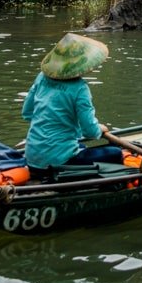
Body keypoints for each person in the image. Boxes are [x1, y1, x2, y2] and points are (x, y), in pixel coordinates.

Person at [21, 32, 123, 180]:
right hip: (58, 162)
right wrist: (99, 128)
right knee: (116, 153)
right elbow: (90, 131)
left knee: (81, 147)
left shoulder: (41, 77)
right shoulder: (80, 88)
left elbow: (27, 113)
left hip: (32, 157)